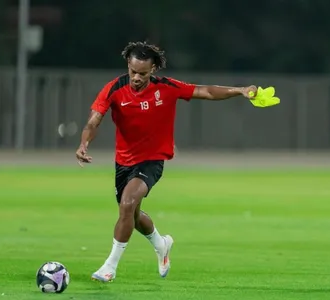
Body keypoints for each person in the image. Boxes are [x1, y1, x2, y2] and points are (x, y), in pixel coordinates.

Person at [76, 41, 258, 283]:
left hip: (153, 160)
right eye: (133, 72)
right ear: (127, 66)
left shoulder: (167, 88)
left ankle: (110, 266)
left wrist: (240, 90)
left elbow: (205, 91)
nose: (137, 78)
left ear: (153, 70)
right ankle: (161, 244)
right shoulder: (114, 89)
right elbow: (93, 121)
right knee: (132, 213)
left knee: (128, 203)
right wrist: (83, 144)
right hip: (123, 162)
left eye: (143, 73)